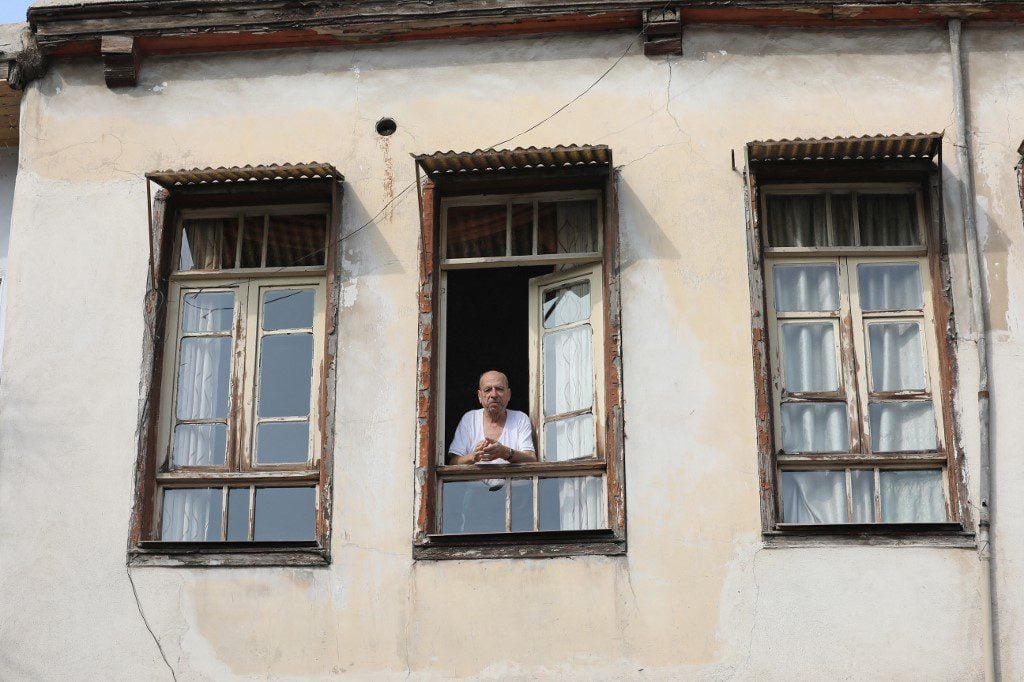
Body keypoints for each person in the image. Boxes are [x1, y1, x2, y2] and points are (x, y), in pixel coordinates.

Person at [447, 370, 537, 465]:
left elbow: (531, 459)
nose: (494, 395)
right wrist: (473, 456)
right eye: (488, 390)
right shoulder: (469, 419)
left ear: (509, 394)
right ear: (480, 396)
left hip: (511, 480)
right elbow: (453, 462)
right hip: (476, 480)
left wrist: (505, 453)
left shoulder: (520, 419)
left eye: (499, 389)